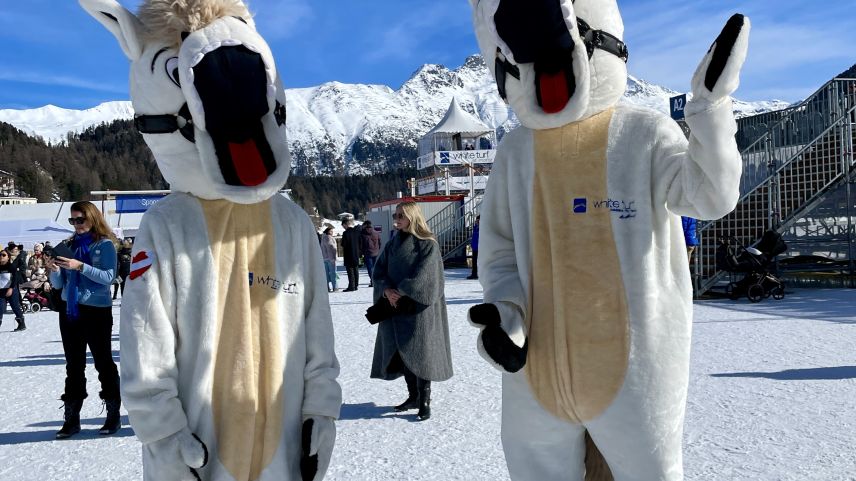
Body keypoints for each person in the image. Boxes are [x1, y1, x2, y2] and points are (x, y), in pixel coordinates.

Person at [367, 201, 453, 421]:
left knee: (421, 353)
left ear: (412, 217)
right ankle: (413, 396)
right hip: (394, 307)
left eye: (401, 215)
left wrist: (401, 290)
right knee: (402, 352)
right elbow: (379, 271)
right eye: (396, 214)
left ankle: (424, 400)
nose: (396, 218)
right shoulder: (392, 243)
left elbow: (427, 276)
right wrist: (386, 289)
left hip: (418, 309)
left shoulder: (427, 244)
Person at [47, 201, 120, 439]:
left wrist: (80, 266)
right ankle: (72, 419)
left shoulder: (105, 244)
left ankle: (112, 415)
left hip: (96, 310)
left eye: (80, 220)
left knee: (103, 362)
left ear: (92, 218)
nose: (77, 225)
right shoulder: (67, 245)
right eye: (73, 220)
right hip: (71, 311)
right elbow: (59, 286)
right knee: (73, 366)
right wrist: (54, 271)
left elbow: (108, 278)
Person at [0, 249, 26, 332]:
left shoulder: (11, 267)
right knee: (0, 308)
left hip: (12, 290)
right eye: (0, 255)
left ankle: (21, 324)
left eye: (4, 255)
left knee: (15, 307)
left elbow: (15, 279)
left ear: (8, 257)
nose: (1, 257)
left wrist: (11, 288)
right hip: (1, 291)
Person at [341, 217, 361, 291]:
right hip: (356, 254)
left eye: (343, 225)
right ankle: (356, 285)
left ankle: (351, 286)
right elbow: (360, 242)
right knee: (356, 270)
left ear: (345, 224)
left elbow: (343, 244)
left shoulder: (345, 233)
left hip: (348, 254)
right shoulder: (356, 231)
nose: (343, 227)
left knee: (350, 271)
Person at [359, 220, 381, 287]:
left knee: (370, 268)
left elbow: (361, 244)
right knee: (375, 267)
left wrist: (361, 252)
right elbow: (380, 242)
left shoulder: (362, 233)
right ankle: (376, 281)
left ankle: (372, 281)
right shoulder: (376, 232)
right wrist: (377, 249)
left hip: (367, 253)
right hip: (376, 252)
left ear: (365, 225)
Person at [320, 226, 339, 292]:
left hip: (324, 258)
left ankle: (327, 287)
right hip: (330, 258)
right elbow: (331, 248)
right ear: (329, 231)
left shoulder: (323, 238)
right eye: (331, 231)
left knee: (326, 274)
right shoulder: (329, 238)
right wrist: (334, 257)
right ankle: (335, 287)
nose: (332, 232)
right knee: (333, 273)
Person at [467, 215, 480, 280]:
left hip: (480, 248)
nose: (477, 221)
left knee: (480, 262)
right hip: (475, 247)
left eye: (478, 220)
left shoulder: (482, 228)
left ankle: (480, 273)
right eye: (476, 220)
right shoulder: (475, 227)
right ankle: (474, 274)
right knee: (474, 261)